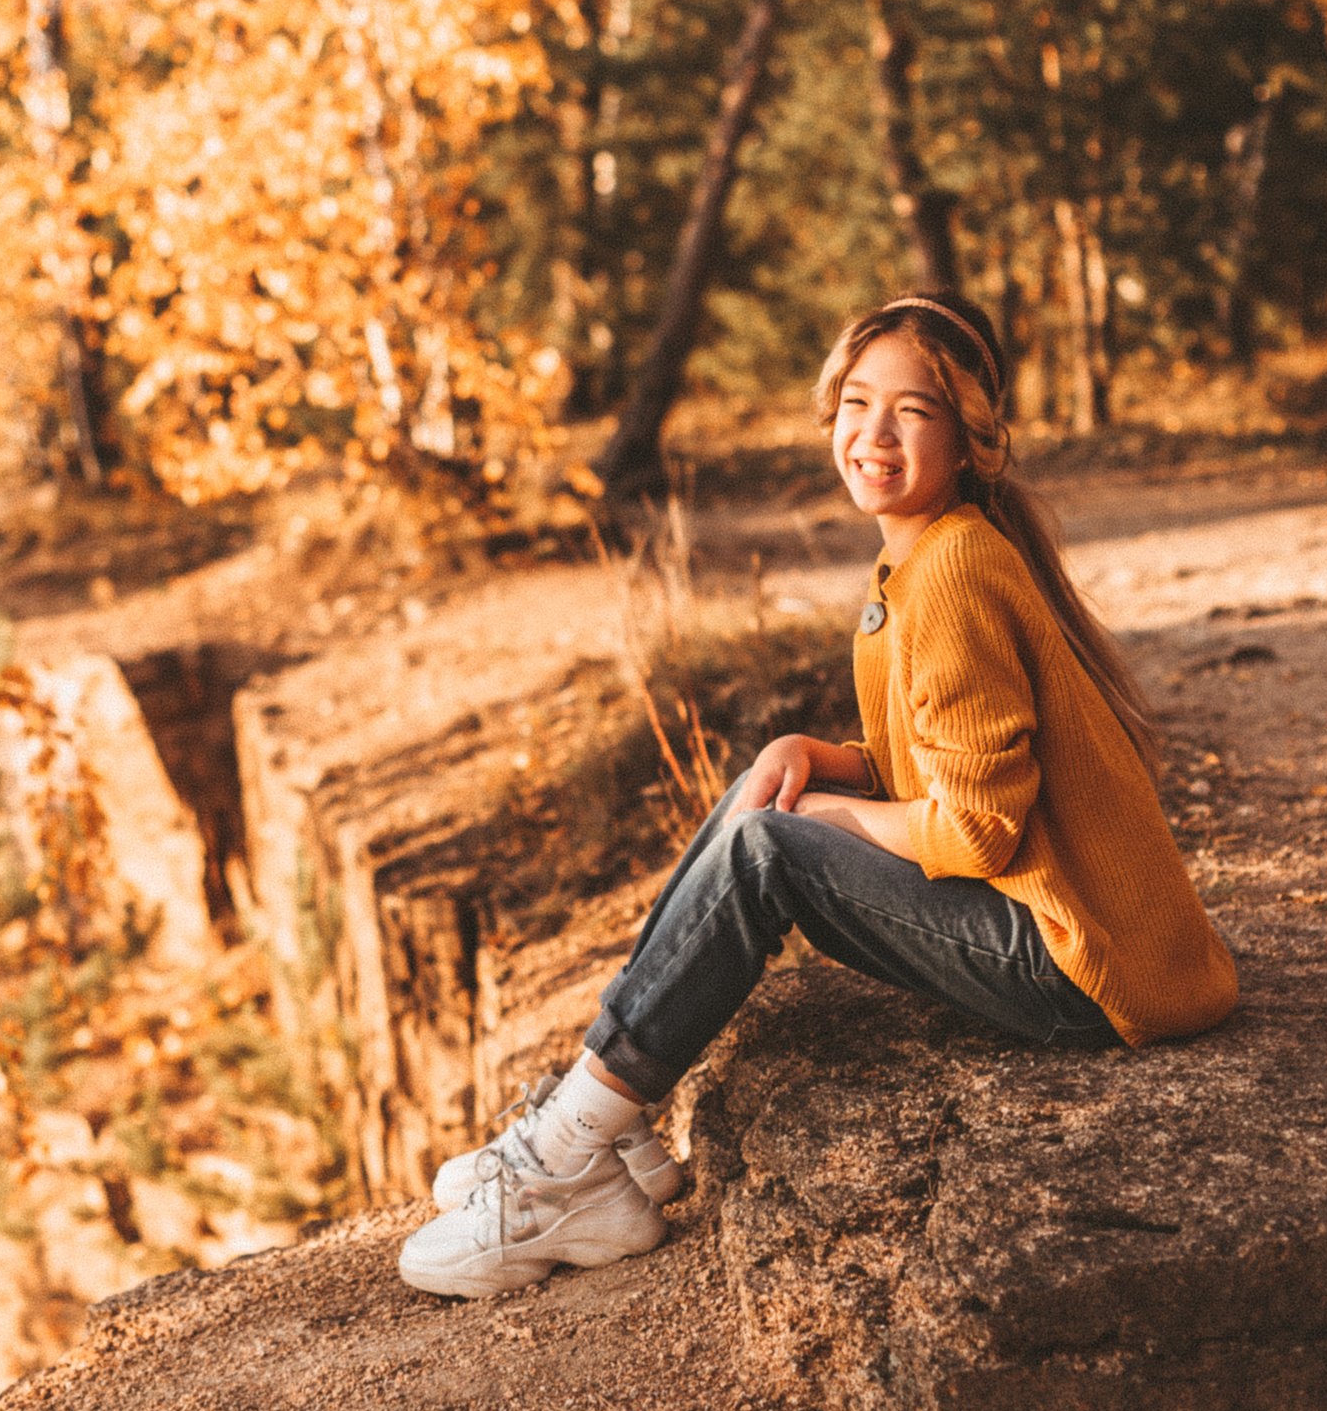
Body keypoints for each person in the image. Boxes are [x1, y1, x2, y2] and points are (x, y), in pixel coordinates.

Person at [398, 293, 1239, 1299]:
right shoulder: (925, 552)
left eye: (912, 412)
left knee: (770, 846)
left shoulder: (956, 572)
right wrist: (825, 760)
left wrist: (823, 817)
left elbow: (975, 829)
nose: (872, 435)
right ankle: (592, 1128)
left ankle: (566, 1155)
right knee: (763, 788)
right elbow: (940, 767)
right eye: (855, 401)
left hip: (1086, 967)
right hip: (1061, 927)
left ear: (972, 439)